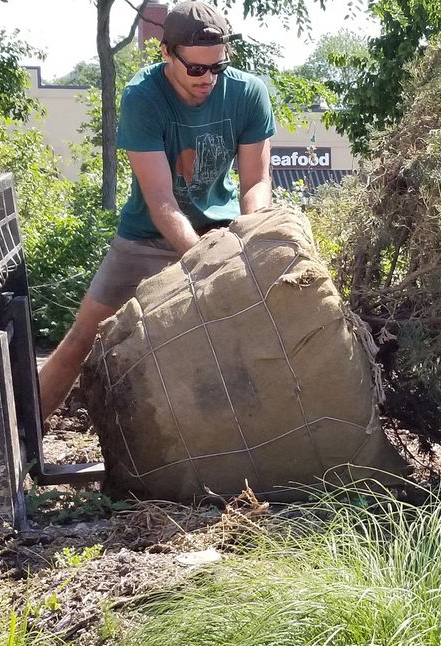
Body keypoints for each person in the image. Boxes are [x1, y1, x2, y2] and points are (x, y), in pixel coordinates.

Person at [39, 0, 275, 421]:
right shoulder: (142, 97)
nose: (208, 79)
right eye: (196, 69)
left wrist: (249, 240)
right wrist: (204, 263)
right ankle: (15, 445)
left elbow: (256, 182)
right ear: (167, 53)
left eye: (217, 68)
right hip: (145, 237)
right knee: (81, 340)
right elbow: (161, 200)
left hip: (220, 233)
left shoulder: (249, 94)